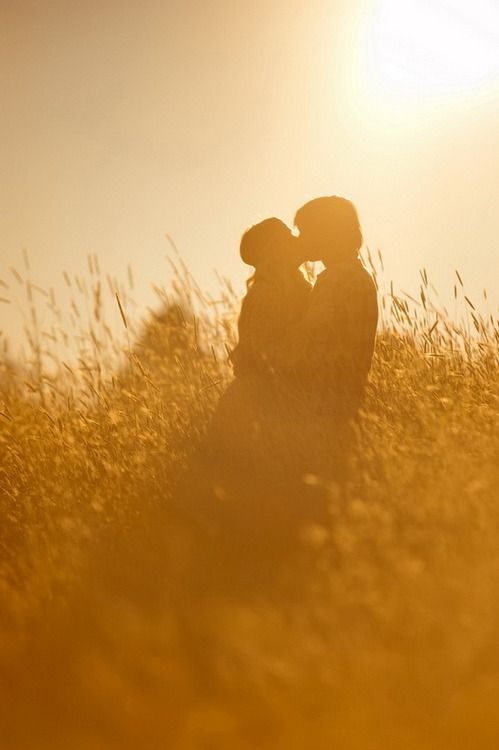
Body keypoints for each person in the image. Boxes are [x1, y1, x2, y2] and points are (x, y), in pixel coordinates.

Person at [272, 195, 378, 478]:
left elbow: (305, 340)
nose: (300, 238)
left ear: (327, 232)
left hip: (323, 407)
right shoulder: (356, 277)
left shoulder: (335, 281)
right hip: (343, 404)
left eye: (305, 231)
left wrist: (267, 353)